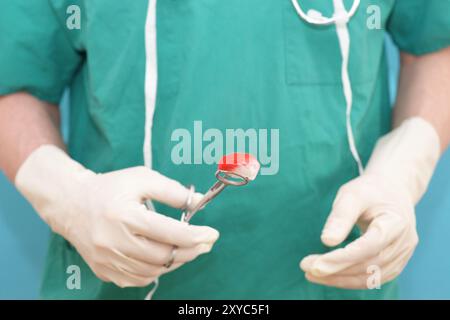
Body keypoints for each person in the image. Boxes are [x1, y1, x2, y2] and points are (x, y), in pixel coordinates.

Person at [0, 0, 449, 300]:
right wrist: (65, 195)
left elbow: (434, 43)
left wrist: (405, 166)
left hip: (335, 284)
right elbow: (13, 78)